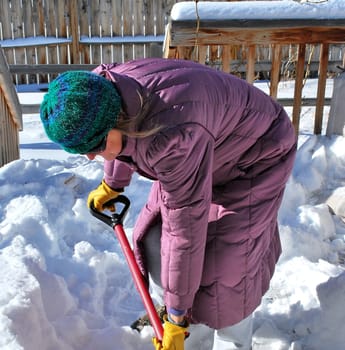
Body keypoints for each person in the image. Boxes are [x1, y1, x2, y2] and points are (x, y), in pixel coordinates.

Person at [40, 58, 297, 350]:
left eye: (95, 147)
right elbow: (126, 140)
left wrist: (176, 317)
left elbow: (184, 232)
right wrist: (112, 184)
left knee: (229, 268)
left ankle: (232, 341)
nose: (89, 158)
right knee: (153, 235)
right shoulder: (102, 92)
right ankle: (182, 320)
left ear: (113, 121)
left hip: (256, 152)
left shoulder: (171, 140)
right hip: (206, 141)